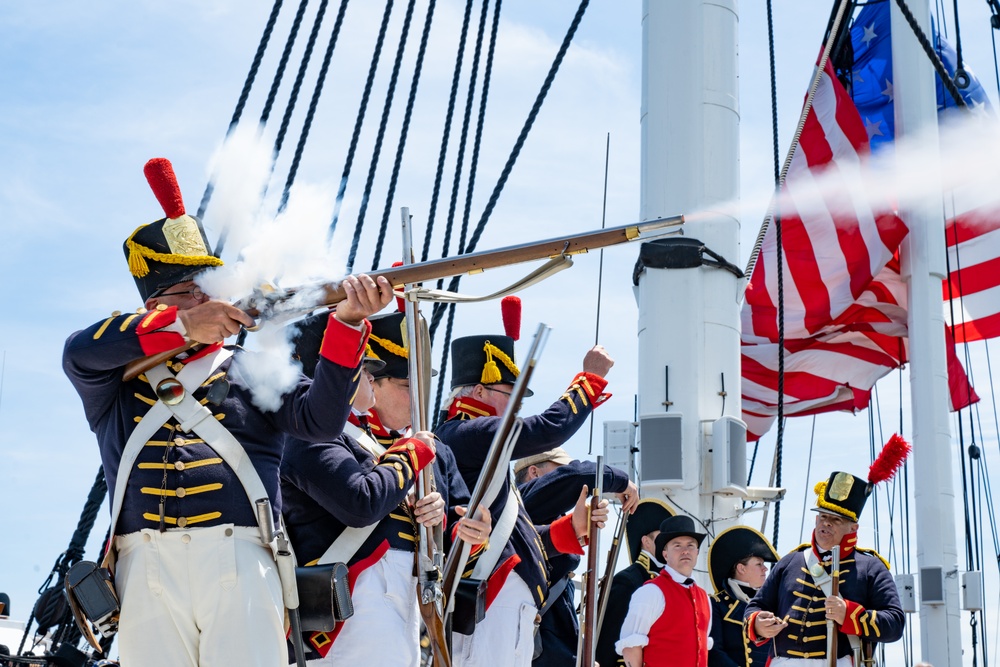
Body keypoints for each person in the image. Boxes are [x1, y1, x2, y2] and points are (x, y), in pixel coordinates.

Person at [62, 157, 393, 667]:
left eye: (206, 287)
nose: (205, 297)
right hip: (141, 560)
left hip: (240, 556)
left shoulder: (251, 369)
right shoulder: (114, 376)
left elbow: (321, 422)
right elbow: (78, 349)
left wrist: (346, 323)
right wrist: (182, 325)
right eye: (188, 291)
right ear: (157, 305)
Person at [280, 314, 490, 664]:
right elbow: (360, 502)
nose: (369, 379)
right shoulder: (307, 434)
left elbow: (436, 546)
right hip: (343, 619)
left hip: (395, 609)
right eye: (363, 369)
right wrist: (412, 452)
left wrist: (449, 523)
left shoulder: (374, 444)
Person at [435, 296, 615, 667]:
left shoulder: (482, 445)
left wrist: (569, 529)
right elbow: (546, 430)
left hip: (503, 605)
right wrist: (589, 380)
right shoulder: (467, 433)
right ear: (479, 392)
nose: (516, 407)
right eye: (509, 395)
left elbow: (514, 536)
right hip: (489, 601)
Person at [744, 437, 910, 665]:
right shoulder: (790, 562)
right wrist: (758, 622)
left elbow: (894, 624)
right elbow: (756, 606)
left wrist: (851, 615)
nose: (826, 523)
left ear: (853, 527)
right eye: (823, 516)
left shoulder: (870, 567)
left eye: (836, 519)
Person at [514, 448, 639, 667]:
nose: (564, 477)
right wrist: (620, 481)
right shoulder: (523, 501)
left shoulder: (539, 511)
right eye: (558, 471)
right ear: (534, 473)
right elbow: (574, 477)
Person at [617, 514, 713, 666]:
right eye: (677, 545)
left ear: (697, 552)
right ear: (665, 554)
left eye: (690, 545)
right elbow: (631, 647)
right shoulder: (651, 592)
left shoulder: (705, 598)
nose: (685, 551)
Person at [595, 499, 674, 667]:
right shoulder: (628, 581)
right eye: (663, 539)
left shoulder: (673, 582)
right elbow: (608, 643)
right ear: (646, 541)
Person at [706, 526, 778, 667]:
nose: (765, 569)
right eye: (759, 564)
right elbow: (714, 651)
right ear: (741, 568)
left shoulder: (769, 605)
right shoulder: (716, 604)